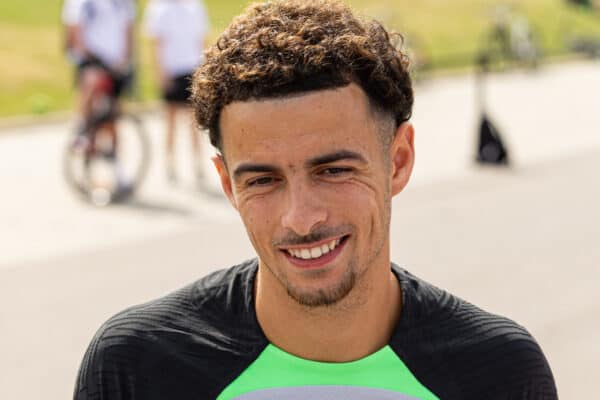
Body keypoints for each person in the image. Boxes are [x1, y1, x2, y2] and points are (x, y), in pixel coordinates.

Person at [73, 1, 558, 399]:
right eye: (262, 180)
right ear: (227, 184)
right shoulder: (137, 368)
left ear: (399, 161)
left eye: (333, 170)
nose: (301, 218)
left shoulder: (499, 374)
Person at [143, 0, 211, 183]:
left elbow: (201, 41)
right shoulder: (159, 8)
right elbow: (158, 44)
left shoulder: (195, 7)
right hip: (172, 70)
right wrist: (161, 72)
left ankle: (197, 164)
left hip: (192, 69)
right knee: (171, 121)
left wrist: (203, 69)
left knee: (193, 122)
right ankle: (170, 163)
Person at [62, 0, 136, 140]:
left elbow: (128, 28)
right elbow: (75, 27)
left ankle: (112, 147)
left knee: (113, 107)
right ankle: (81, 128)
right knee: (91, 82)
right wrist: (87, 54)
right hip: (91, 57)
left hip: (115, 60)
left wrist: (126, 58)